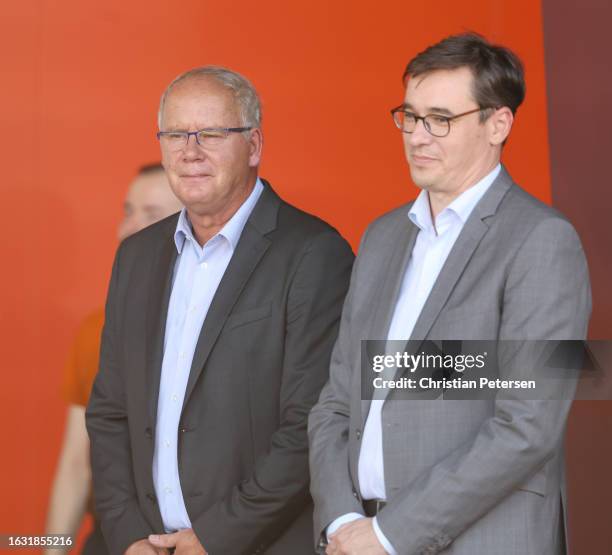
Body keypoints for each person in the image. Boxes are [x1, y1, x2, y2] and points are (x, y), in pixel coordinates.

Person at [308, 33, 591, 555]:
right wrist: (342, 520)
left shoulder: (542, 241)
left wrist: (390, 535)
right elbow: (335, 403)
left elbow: (527, 425)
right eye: (410, 116)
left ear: (498, 124)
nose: (418, 136)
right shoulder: (382, 236)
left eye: (441, 118)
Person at [85, 66, 354, 555]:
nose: (190, 151)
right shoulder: (137, 257)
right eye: (174, 134)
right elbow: (109, 412)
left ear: (253, 146)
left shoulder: (313, 253)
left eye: (210, 133)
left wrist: (216, 537)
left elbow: (310, 422)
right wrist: (126, 535)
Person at [45, 164, 183, 555]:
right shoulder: (97, 329)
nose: (128, 228)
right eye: (127, 211)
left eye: (151, 214)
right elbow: (77, 464)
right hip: (114, 539)